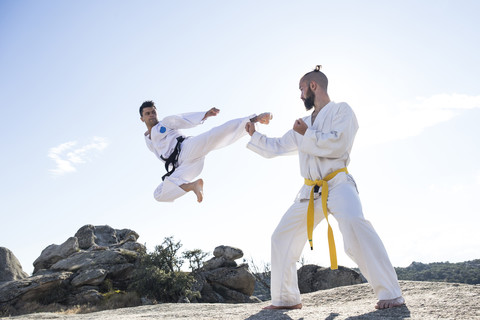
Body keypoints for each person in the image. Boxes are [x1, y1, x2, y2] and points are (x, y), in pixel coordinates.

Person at [245, 66, 405, 310]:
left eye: (301, 89)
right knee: (282, 236)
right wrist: (254, 135)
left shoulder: (342, 111)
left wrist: (307, 133)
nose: (300, 95)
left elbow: (338, 145)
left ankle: (390, 293)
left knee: (354, 224)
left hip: (338, 183)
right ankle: (286, 299)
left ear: (313, 86)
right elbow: (277, 146)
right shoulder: (303, 123)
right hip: (311, 190)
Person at [140, 100, 272, 203]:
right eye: (147, 113)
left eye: (153, 112)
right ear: (142, 118)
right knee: (158, 194)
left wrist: (205, 115)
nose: (151, 115)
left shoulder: (165, 123)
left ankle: (254, 119)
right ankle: (193, 186)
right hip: (185, 166)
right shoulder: (148, 140)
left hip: (186, 148)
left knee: (213, 135)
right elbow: (162, 154)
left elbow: (183, 119)